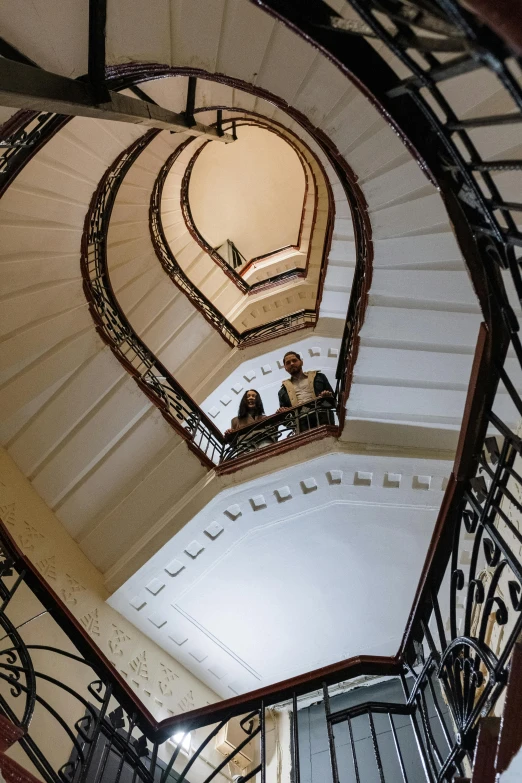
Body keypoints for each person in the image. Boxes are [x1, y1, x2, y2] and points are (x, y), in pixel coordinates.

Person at [276, 350, 336, 432]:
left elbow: (333, 399)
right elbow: (285, 420)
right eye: (288, 363)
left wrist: (327, 395)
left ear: (301, 362)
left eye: (294, 360)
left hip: (322, 415)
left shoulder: (319, 377)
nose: (292, 364)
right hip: (301, 423)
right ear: (285, 368)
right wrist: (282, 411)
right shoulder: (282, 391)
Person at [224, 389, 273, 454]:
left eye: (253, 396)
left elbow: (273, 431)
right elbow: (233, 443)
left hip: (264, 440)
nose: (251, 398)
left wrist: (280, 413)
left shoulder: (264, 418)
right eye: (248, 396)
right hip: (244, 446)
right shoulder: (235, 420)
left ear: (258, 400)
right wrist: (229, 434)